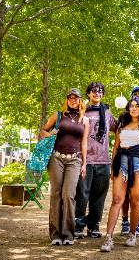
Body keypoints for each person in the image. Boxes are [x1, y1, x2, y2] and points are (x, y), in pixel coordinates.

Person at [100, 97, 139, 252]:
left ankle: (132, 234)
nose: (134, 108)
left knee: (135, 200)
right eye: (131, 106)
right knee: (117, 200)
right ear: (128, 108)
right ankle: (108, 237)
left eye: (137, 106)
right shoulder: (121, 125)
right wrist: (112, 168)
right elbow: (116, 148)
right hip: (121, 163)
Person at [39, 88, 89, 246]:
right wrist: (50, 134)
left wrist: (84, 163)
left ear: (80, 100)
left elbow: (84, 143)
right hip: (56, 159)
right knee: (56, 194)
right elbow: (42, 131)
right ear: (67, 100)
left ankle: (68, 234)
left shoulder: (85, 120)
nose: (73, 100)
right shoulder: (58, 115)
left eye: (76, 98)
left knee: (68, 195)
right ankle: (55, 234)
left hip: (74, 160)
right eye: (70, 98)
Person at [74, 82, 117, 239]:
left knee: (99, 196)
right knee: (82, 194)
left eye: (99, 91)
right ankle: (78, 226)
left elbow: (118, 127)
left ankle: (93, 226)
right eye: (93, 91)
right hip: (85, 160)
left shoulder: (107, 112)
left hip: (103, 161)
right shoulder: (82, 111)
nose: (96, 93)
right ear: (88, 94)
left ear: (102, 95)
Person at [120, 86, 139, 236]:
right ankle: (125, 220)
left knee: (138, 195)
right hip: (124, 159)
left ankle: (136, 223)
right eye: (135, 95)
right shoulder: (124, 116)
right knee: (124, 195)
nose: (138, 96)